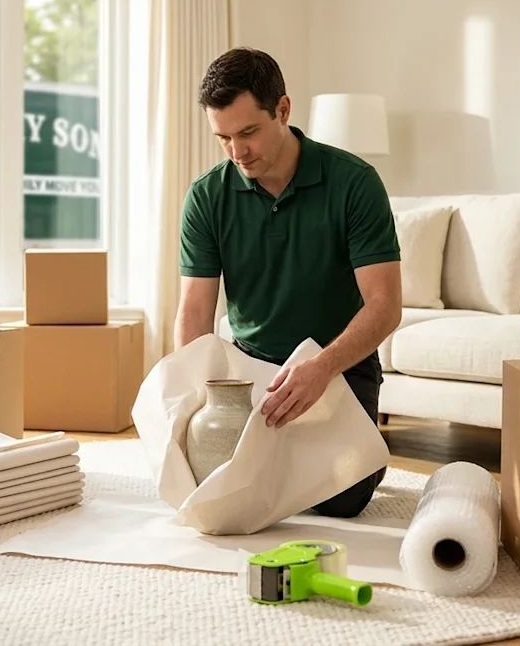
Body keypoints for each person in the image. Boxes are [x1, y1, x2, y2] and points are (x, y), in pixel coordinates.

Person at [173, 47, 403, 518]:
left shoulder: (355, 183)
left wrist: (320, 368)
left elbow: (385, 305)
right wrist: (193, 395)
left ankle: (365, 458)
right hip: (248, 370)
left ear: (283, 110)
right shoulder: (206, 197)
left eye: (248, 132)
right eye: (223, 138)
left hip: (337, 367)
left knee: (339, 502)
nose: (238, 152)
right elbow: (195, 312)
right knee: (212, 477)